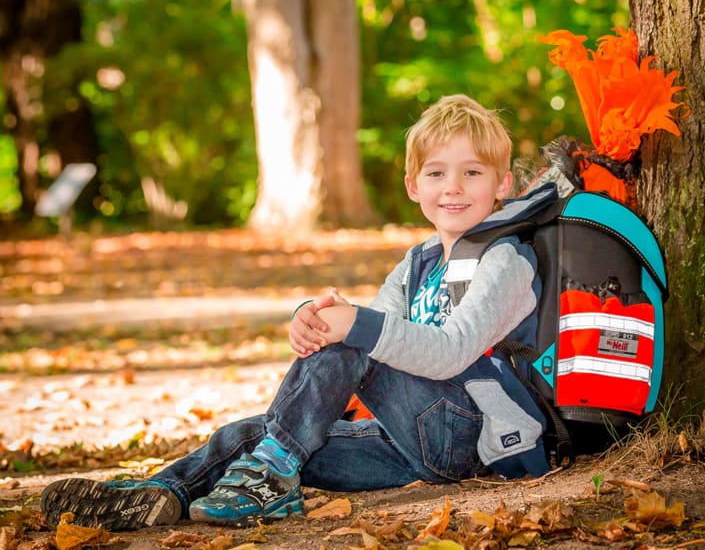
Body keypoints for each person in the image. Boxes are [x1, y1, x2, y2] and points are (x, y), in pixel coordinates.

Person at [41, 94, 557, 531]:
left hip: (464, 434)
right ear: (412, 186)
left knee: (349, 338)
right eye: (437, 173)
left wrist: (349, 325)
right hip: (398, 437)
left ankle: (272, 474)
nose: (453, 187)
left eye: (472, 173)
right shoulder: (417, 262)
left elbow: (449, 353)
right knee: (255, 434)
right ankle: (158, 495)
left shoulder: (504, 260)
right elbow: (379, 336)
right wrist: (310, 319)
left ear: (503, 185)